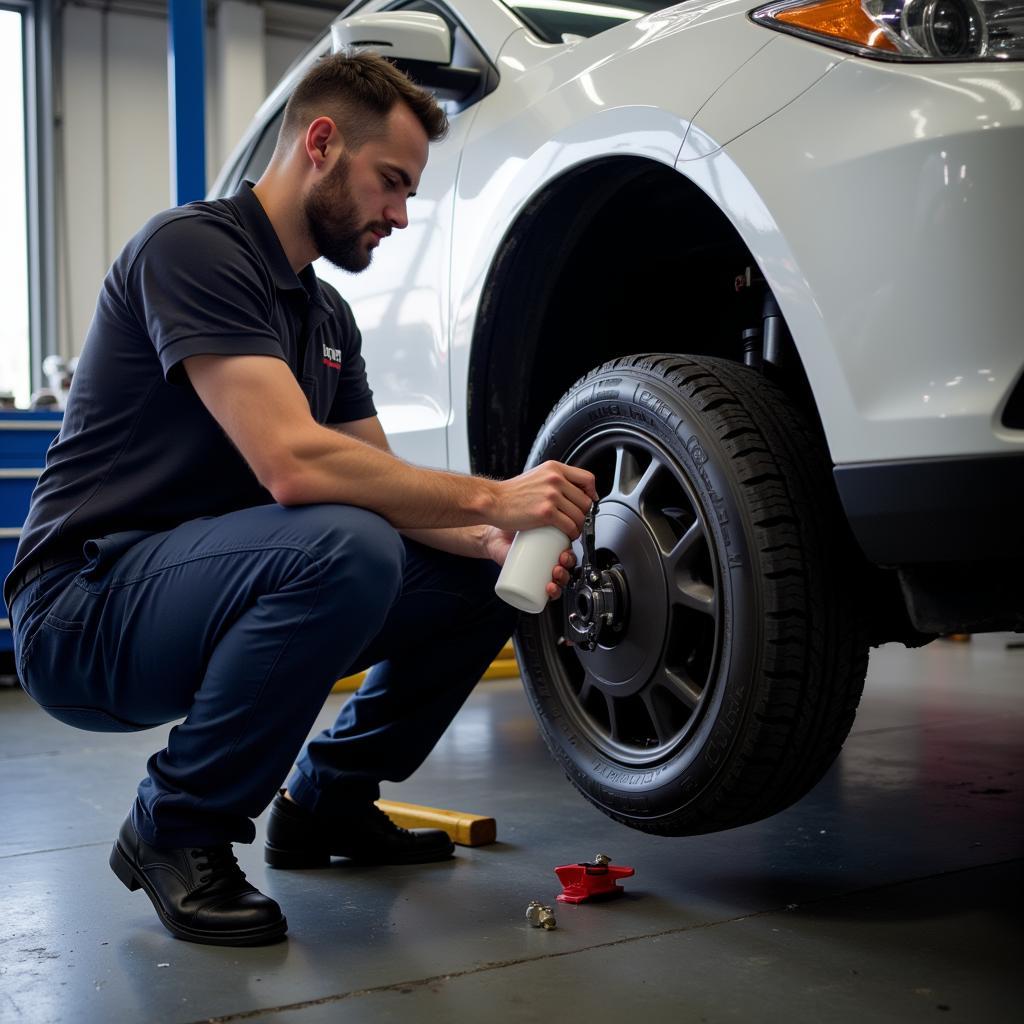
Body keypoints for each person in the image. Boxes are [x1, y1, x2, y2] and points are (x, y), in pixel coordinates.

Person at [4, 52, 596, 948]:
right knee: (344, 542)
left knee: (475, 572)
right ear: (320, 144)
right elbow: (293, 464)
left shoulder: (326, 319)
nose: (400, 215)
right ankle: (178, 825)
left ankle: (328, 801)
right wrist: (499, 495)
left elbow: (381, 481)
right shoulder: (193, 249)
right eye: (390, 182)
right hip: (82, 611)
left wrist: (490, 538)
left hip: (199, 587)